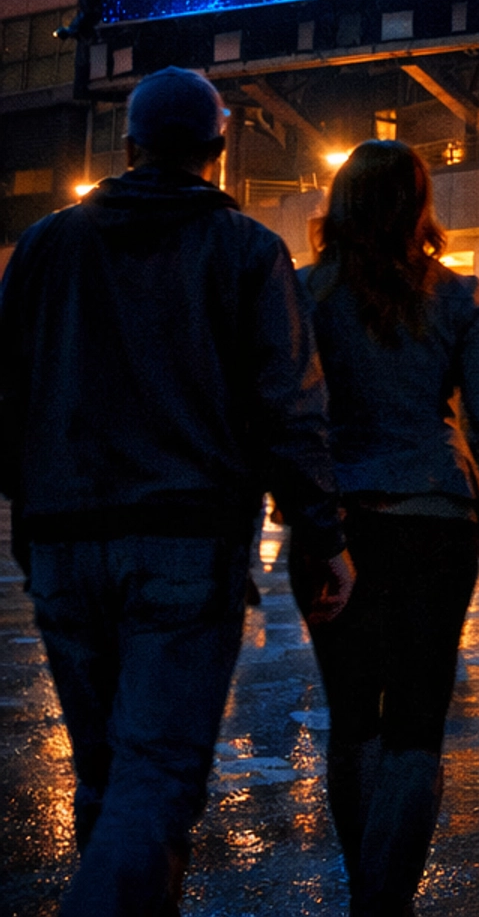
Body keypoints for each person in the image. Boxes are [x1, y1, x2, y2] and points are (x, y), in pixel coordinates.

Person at [0, 67, 352, 915]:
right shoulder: (244, 251)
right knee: (156, 774)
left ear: (126, 149)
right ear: (219, 153)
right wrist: (319, 530)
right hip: (187, 541)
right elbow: (288, 402)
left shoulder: (48, 245)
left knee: (111, 776)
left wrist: (26, 507)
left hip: (63, 540)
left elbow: (7, 388)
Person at [299, 140, 479, 911]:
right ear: (420, 208)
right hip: (435, 524)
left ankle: (367, 890)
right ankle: (386, 901)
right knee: (418, 724)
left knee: (353, 719)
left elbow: (278, 414)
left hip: (338, 525)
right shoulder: (457, 298)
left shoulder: (302, 294)